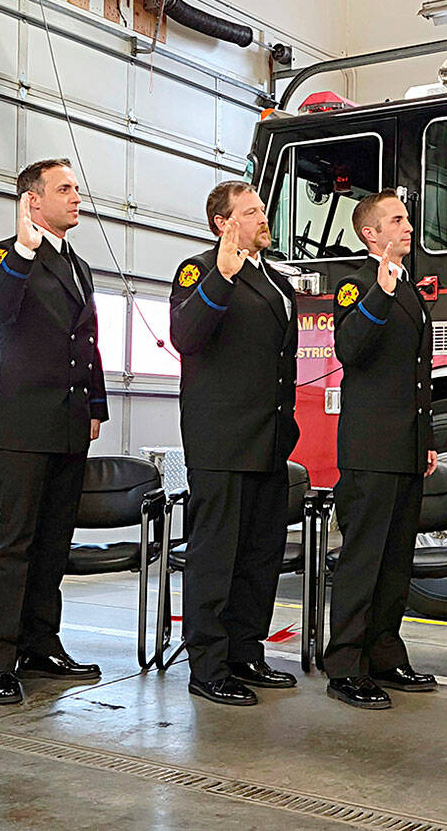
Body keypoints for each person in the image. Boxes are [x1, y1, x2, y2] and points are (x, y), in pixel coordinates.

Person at [0, 158, 108, 705]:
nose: (77, 197)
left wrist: (95, 404)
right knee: (16, 544)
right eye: (64, 189)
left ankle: (41, 643)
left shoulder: (78, 263)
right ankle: (0, 657)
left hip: (70, 423)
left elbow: (88, 340)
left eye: (76, 187)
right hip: (25, 424)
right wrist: (25, 253)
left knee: (53, 543)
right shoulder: (9, 255)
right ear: (33, 200)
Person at [169, 180, 299, 706]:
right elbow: (187, 336)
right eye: (251, 212)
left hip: (268, 440)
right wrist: (221, 279)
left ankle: (246, 650)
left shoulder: (274, 279)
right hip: (220, 441)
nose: (263, 218)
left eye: (262, 209)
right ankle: (208, 663)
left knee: (259, 555)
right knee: (215, 556)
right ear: (224, 223)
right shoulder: (199, 271)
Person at [324, 190, 438, 710]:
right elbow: (349, 349)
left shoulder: (409, 289)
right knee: (362, 561)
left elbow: (417, 376)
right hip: (370, 450)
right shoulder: (357, 285)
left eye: (408, 218)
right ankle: (346, 664)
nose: (408, 226)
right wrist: (381, 294)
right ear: (370, 233)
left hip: (407, 448)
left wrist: (426, 441)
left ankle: (386, 653)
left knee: (396, 561)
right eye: (397, 219)